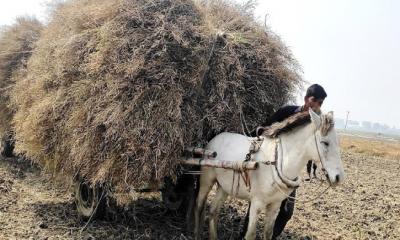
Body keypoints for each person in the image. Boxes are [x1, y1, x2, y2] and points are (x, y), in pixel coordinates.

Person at [242, 84, 327, 239]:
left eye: (321, 103)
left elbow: (315, 145)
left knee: (287, 212)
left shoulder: (315, 124)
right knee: (257, 203)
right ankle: (243, 235)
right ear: (307, 99)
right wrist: (253, 136)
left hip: (291, 173)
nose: (317, 106)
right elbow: (266, 127)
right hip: (270, 168)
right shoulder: (287, 112)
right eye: (315, 101)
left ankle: (270, 236)